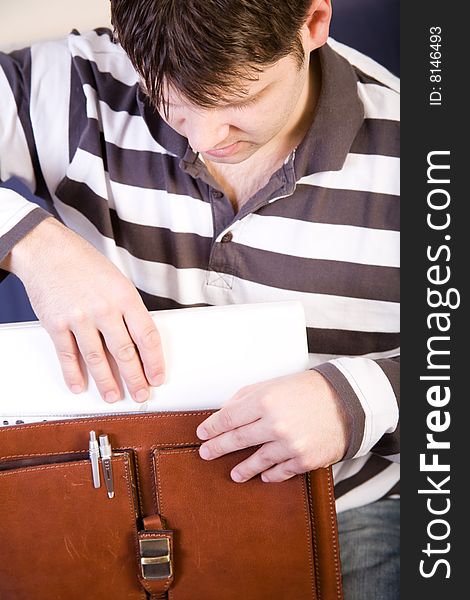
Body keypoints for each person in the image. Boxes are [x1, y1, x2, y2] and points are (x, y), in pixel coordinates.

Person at [0, 1, 400, 597]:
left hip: (347, 508)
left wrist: (356, 402)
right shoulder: (75, 84)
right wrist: (32, 245)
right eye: (175, 101)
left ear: (313, 24)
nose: (210, 138)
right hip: (101, 498)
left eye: (243, 97)